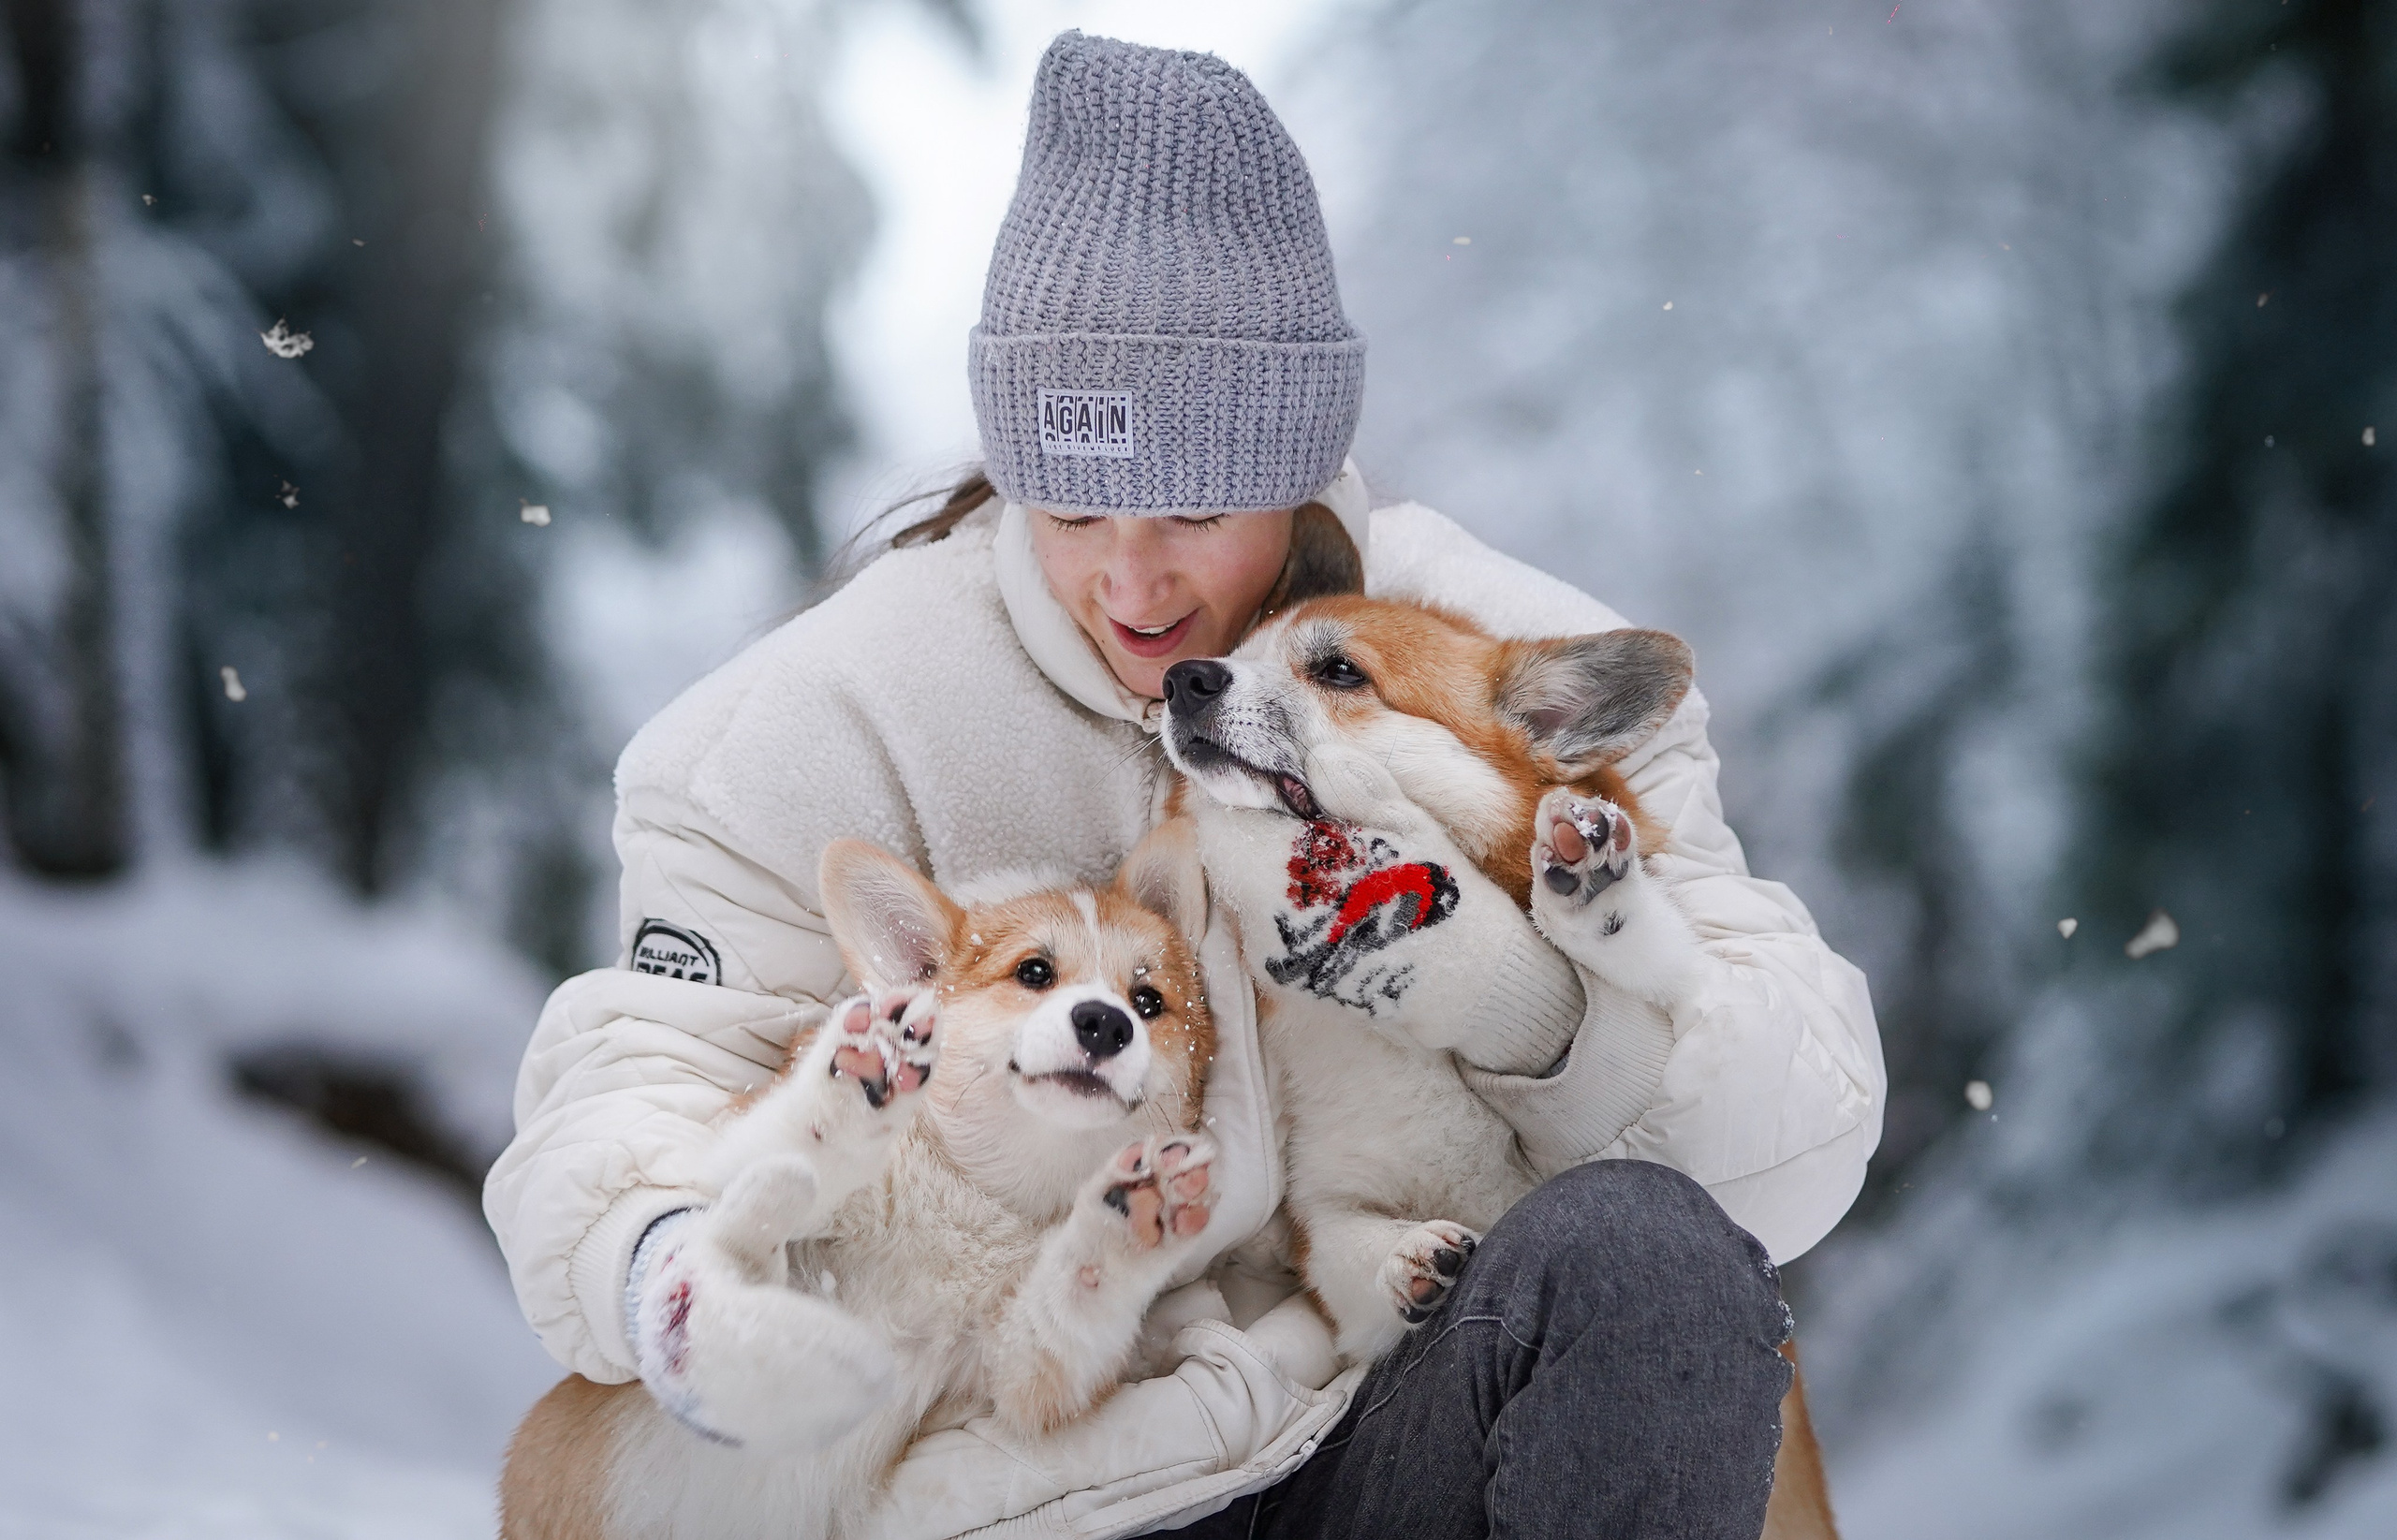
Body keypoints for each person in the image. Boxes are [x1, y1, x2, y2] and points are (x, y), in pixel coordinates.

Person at [484, 31, 1883, 1540]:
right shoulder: (816, 726)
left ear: (1299, 464)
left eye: (1200, 508)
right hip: (1027, 1479)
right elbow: (639, 1081)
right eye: (1076, 505)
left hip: (1383, 1433)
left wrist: (1534, 1010)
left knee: (1657, 1265)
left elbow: (1786, 1156)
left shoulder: (1490, 676)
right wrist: (662, 1256)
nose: (1135, 584)